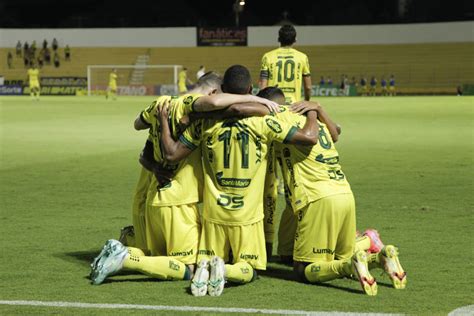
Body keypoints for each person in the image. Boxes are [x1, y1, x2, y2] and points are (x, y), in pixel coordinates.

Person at [90, 72, 281, 286]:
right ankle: (125, 259)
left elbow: (138, 125)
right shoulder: (191, 104)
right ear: (213, 92)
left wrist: (162, 127)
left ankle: (123, 249)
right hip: (179, 200)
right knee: (188, 268)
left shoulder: (161, 103)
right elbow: (217, 103)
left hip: (155, 194)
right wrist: (257, 99)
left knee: (155, 255)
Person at [158, 65, 319, 297]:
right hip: (248, 217)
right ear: (251, 89)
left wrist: (172, 120)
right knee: (250, 270)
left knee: (213, 256)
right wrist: (313, 109)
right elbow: (307, 138)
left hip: (214, 215)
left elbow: (171, 155)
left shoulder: (204, 123)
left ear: (222, 90)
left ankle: (208, 266)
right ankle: (223, 271)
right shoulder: (265, 122)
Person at [260, 87, 407, 295]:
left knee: (303, 270)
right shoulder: (311, 118)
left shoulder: (277, 121)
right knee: (327, 255)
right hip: (345, 193)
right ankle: (378, 256)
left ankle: (352, 264)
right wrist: (317, 109)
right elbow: (335, 133)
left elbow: (306, 138)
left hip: (316, 198)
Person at [259, 24, 312, 105]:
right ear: (295, 39)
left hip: (274, 105)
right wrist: (306, 102)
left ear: (278, 39)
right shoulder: (302, 57)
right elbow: (308, 87)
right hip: (294, 106)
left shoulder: (267, 56)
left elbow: (263, 85)